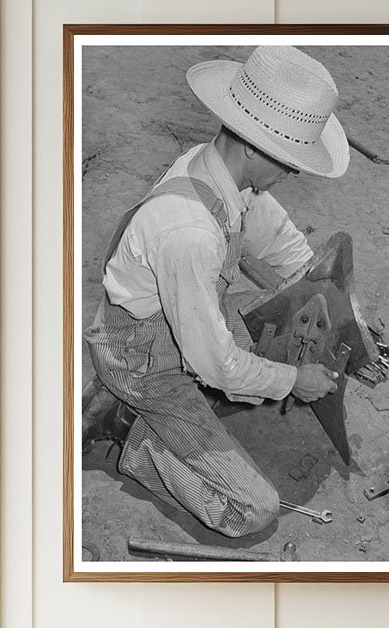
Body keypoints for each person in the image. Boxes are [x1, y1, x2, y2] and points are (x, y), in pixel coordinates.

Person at [82, 45, 350, 538]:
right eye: (288, 163)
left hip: (173, 329)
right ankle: (132, 432)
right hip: (141, 364)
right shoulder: (189, 233)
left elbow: (278, 237)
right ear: (252, 147)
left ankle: (162, 415)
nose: (290, 174)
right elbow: (217, 366)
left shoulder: (219, 170)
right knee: (254, 510)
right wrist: (293, 380)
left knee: (268, 343)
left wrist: (325, 292)